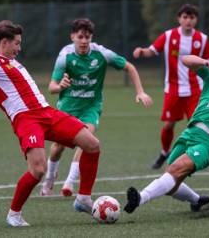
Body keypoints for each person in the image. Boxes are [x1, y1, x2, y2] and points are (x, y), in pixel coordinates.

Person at [0, 20, 103, 227]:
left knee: (92, 144)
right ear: (4, 42)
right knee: (38, 169)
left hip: (47, 112)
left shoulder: (12, 61)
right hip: (25, 119)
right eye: (16, 43)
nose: (19, 48)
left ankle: (84, 198)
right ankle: (14, 214)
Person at [40, 18, 153, 197]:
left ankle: (69, 183)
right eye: (80, 37)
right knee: (58, 147)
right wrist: (61, 86)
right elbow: (51, 87)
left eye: (87, 37)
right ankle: (50, 177)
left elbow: (129, 67)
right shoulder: (65, 56)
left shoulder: (102, 54)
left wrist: (140, 91)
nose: (84, 41)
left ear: (91, 37)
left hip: (91, 108)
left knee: (86, 140)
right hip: (68, 106)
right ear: (72, 37)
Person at [124, 48, 209, 215]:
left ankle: (140, 197)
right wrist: (205, 62)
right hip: (190, 133)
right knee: (170, 181)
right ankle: (197, 201)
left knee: (175, 170)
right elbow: (185, 59)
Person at [133, 4, 209, 169]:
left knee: (197, 125)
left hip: (195, 88)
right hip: (173, 88)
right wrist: (142, 51)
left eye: (192, 17)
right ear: (179, 19)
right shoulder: (169, 36)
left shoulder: (202, 39)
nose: (188, 21)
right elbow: (152, 50)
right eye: (185, 17)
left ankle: (192, 156)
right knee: (169, 124)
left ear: (196, 20)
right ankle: (164, 152)